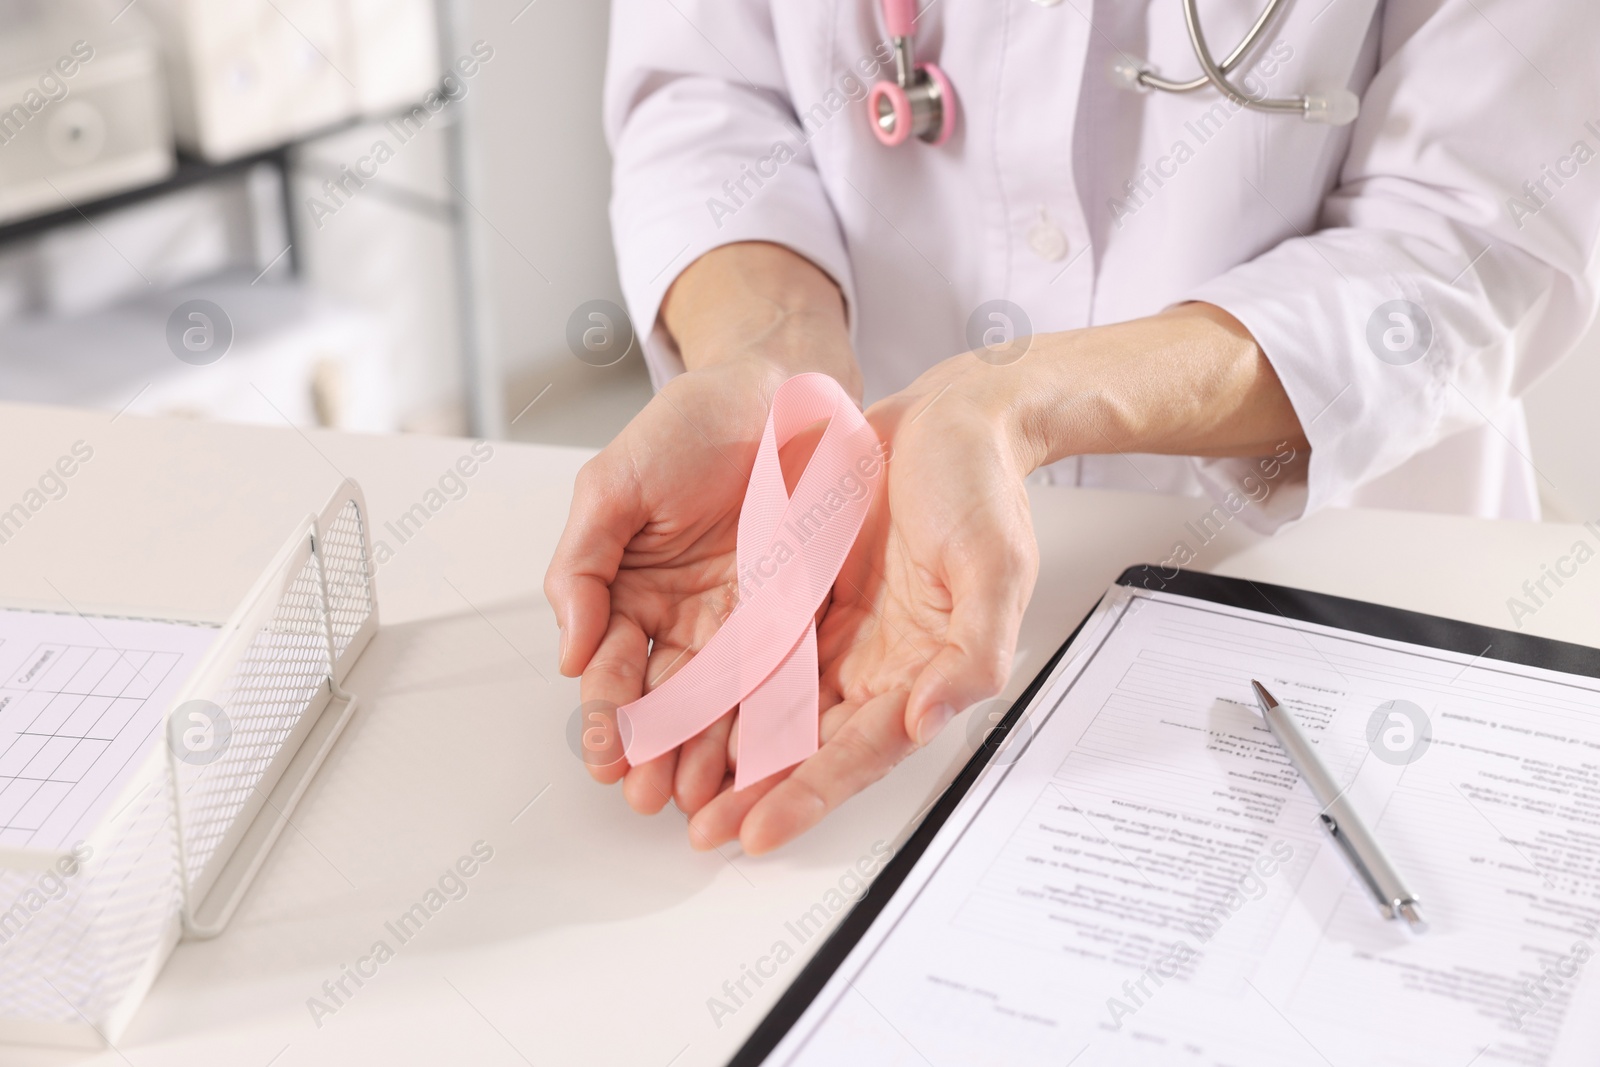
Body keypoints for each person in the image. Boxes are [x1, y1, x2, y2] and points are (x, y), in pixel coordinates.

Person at [545, 0, 1599, 855]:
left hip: (1336, 598)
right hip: (880, 614)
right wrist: (767, 360)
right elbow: (707, 91)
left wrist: (1014, 402)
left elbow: (1463, 235)